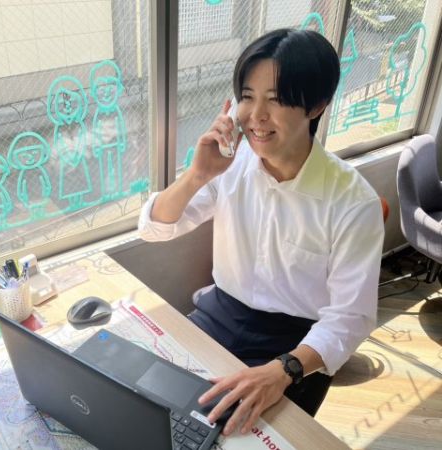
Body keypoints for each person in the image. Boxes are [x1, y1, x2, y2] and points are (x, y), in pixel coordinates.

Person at [138, 28, 384, 436]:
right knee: (150, 408)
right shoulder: (230, 165)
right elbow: (154, 229)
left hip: (297, 345)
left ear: (316, 105)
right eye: (248, 97)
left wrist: (283, 369)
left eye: (277, 99)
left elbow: (350, 318)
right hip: (220, 314)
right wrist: (197, 175)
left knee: (237, 438)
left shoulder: (352, 201)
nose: (256, 116)